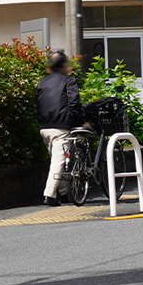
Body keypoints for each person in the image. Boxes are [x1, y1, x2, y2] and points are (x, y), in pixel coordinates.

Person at [36, 50, 86, 206]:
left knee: (57, 160)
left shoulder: (41, 82)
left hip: (44, 127)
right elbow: (74, 103)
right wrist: (80, 121)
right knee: (59, 161)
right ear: (64, 65)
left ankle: (64, 193)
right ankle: (49, 195)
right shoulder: (69, 81)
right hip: (61, 127)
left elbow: (38, 103)